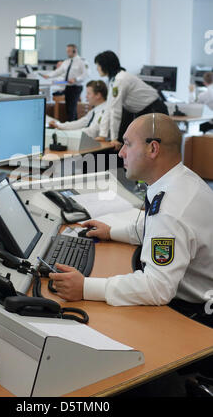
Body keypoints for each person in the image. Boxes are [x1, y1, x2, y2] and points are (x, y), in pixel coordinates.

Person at [49, 113, 213, 328]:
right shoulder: (181, 179)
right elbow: (153, 229)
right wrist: (111, 232)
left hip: (198, 315)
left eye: (127, 144)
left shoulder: (170, 210)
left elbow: (158, 288)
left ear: (152, 149)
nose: (121, 153)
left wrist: (86, 287)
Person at [94, 51, 169, 151]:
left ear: (105, 65)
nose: (97, 68)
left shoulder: (120, 79)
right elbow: (109, 108)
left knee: (151, 147)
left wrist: (114, 139)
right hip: (144, 111)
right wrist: (103, 135)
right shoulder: (113, 80)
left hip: (154, 110)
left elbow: (115, 111)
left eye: (98, 65)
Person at [42, 44, 88, 121]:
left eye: (69, 51)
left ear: (75, 51)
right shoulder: (67, 62)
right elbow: (58, 71)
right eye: (67, 51)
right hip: (68, 86)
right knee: (69, 108)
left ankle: (71, 124)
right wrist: (48, 76)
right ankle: (73, 123)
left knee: (71, 108)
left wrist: (76, 79)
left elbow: (86, 74)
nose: (67, 53)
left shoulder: (82, 61)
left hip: (76, 87)